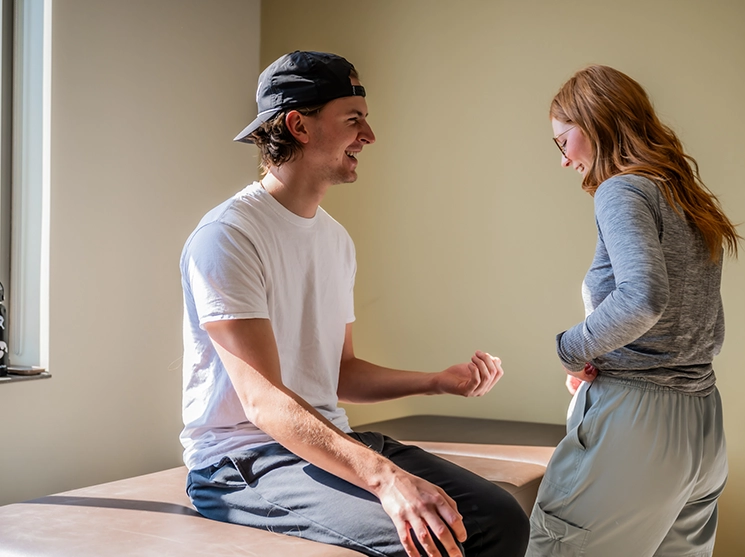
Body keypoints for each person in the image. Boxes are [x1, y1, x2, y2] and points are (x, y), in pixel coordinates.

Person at [179, 50, 529, 557]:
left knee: (500, 520)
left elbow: (338, 372)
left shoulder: (335, 240)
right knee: (429, 538)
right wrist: (387, 481)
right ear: (299, 125)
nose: (369, 136)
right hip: (242, 464)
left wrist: (436, 382)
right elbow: (263, 402)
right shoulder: (228, 236)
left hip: (322, 443)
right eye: (353, 120)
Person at [526, 65, 740, 557]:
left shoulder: (622, 190)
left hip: (636, 426)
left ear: (596, 121)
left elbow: (642, 299)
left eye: (563, 141)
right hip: (702, 425)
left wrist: (569, 349)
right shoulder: (686, 197)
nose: (563, 160)